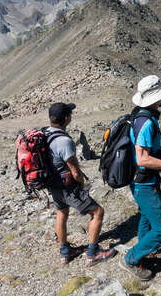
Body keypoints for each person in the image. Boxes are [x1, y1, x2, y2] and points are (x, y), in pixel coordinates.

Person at [119, 75, 161, 280]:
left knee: (146, 218)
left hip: (140, 181)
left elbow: (144, 152)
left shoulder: (139, 117)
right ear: (155, 98)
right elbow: (142, 159)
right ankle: (131, 259)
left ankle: (143, 252)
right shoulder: (147, 123)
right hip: (144, 183)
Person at [46, 102, 116, 266]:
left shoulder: (45, 133)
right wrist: (81, 186)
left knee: (61, 214)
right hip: (66, 187)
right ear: (66, 118)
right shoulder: (64, 141)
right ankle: (93, 253)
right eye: (70, 113)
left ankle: (65, 252)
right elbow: (75, 172)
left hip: (51, 184)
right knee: (98, 212)